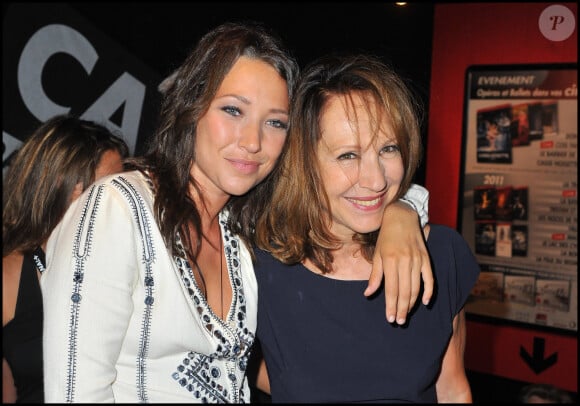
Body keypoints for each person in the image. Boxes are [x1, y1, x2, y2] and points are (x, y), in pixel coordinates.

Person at [41, 22, 432, 403]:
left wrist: (401, 214)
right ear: (191, 107)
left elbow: (371, 190)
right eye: (233, 110)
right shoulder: (117, 209)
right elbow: (74, 391)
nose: (253, 141)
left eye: (275, 122)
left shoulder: (241, 231)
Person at [252, 53, 481, 403]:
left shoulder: (441, 254)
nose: (376, 181)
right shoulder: (261, 266)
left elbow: (451, 390)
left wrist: (405, 207)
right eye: (348, 155)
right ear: (303, 162)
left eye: (388, 149)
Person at [2, 114, 129, 403]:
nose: (122, 202)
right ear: (63, 186)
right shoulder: (10, 276)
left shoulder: (132, 268)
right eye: (107, 189)